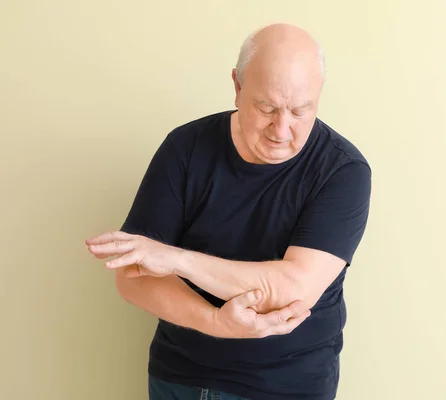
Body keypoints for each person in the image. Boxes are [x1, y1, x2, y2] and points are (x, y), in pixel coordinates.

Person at [85, 23, 372, 400]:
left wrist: (176, 260)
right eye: (266, 107)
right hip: (180, 379)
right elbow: (132, 277)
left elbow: (290, 289)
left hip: (286, 387)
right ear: (237, 86)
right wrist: (216, 322)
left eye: (301, 111)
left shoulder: (343, 170)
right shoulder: (184, 148)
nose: (281, 130)